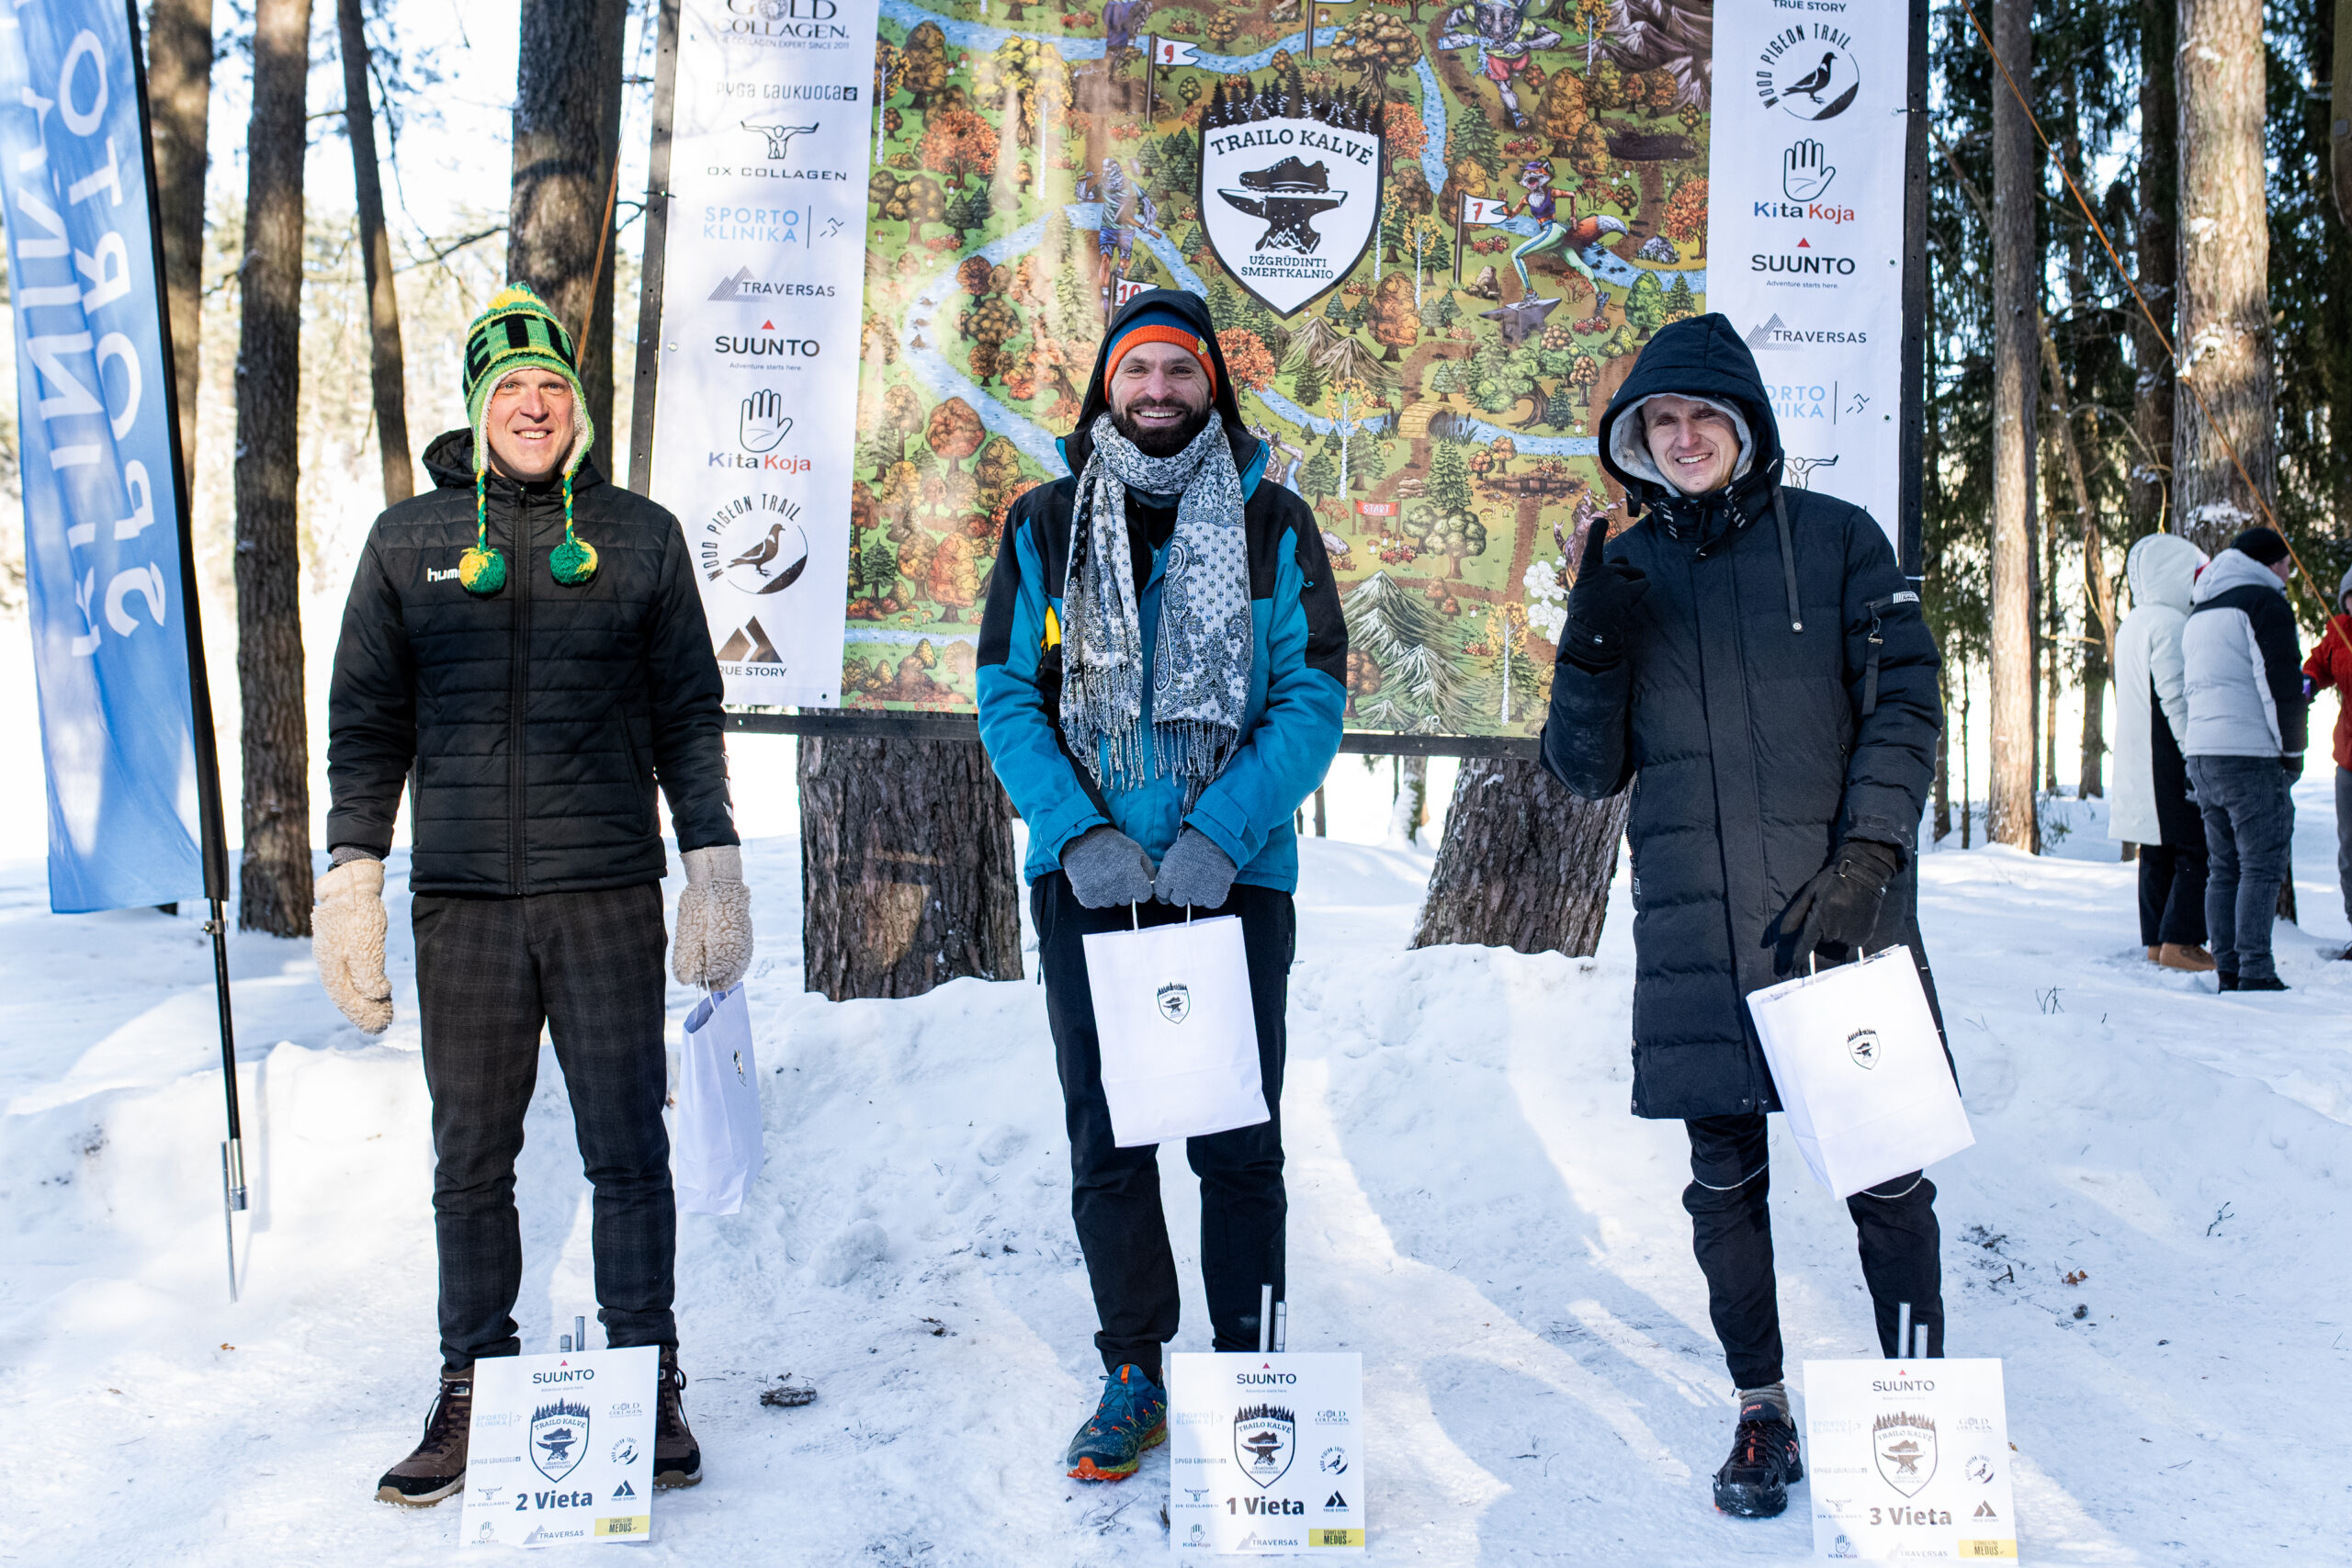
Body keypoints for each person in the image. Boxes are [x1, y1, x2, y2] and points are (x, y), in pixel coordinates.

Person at [313, 285, 754, 1505]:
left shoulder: (641, 537)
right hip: (463, 899)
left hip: (604, 887)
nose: (532, 405)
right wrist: (353, 870)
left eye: (551, 386)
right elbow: (366, 721)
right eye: (508, 387)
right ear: (477, 405)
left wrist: (712, 860)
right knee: (469, 1158)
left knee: (628, 1148)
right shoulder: (406, 542)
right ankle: (470, 1383)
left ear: (577, 405)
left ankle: (646, 1376)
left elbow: (687, 713)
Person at [1540, 313, 1948, 1521]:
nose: (1683, 438)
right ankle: (1760, 1409)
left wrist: (1870, 855)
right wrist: (1589, 635)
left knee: (1887, 1180)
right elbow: (1583, 770)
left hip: (1838, 916)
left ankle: (1922, 1413)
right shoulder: (1626, 571)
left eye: (1702, 417)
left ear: (1747, 425)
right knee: (1723, 1185)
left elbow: (1905, 703)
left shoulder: (1838, 541)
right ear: (1635, 441)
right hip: (1697, 932)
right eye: (1659, 422)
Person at [974, 290, 1347, 1483]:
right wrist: (1078, 831)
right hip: (1091, 880)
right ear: (1108, 384)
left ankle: (1249, 1370)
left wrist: (1223, 831)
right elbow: (1006, 695)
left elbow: (1313, 695)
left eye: (1179, 370)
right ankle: (1132, 1370)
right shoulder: (1043, 524)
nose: (1157, 389)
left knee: (1238, 1138)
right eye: (1137, 368)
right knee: (1109, 1137)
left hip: (1232, 876)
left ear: (1210, 387)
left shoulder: (1274, 522)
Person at [2181, 526, 2309, 992]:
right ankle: (2255, 970)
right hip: (2249, 754)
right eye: (2286, 565)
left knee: (2224, 867)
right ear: (2271, 563)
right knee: (2261, 865)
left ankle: (2230, 968)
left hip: (2203, 753)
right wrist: (2292, 751)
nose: (2289, 574)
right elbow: (2281, 688)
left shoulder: (2202, 608)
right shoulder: (2264, 604)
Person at [2108, 533, 2213, 971]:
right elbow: (2176, 697)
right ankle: (2180, 942)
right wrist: (2195, 753)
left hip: (2138, 754)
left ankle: (2156, 941)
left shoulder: (2133, 622)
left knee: (2156, 849)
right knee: (2195, 845)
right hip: (2166, 755)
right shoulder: (2172, 624)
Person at [2300, 567, 2352, 958]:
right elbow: (2319, 663)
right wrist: (2309, 681)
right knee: (2350, 849)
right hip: (2349, 759)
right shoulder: (2340, 631)